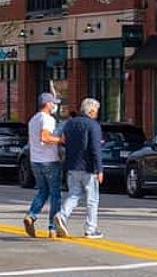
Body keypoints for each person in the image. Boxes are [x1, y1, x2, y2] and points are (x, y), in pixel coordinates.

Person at [54, 97, 105, 239]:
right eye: (96, 111)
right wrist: (99, 169)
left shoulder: (70, 124)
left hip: (72, 165)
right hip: (88, 167)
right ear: (91, 110)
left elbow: (64, 142)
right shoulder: (93, 125)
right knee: (92, 200)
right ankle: (91, 229)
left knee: (74, 194)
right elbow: (95, 149)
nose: (96, 114)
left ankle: (62, 215)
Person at [23, 92, 64, 238]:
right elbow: (45, 137)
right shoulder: (47, 119)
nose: (54, 106)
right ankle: (52, 228)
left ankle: (31, 215)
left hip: (36, 161)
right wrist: (61, 140)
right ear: (47, 104)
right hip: (49, 160)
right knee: (55, 194)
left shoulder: (33, 119)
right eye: (53, 103)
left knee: (42, 191)